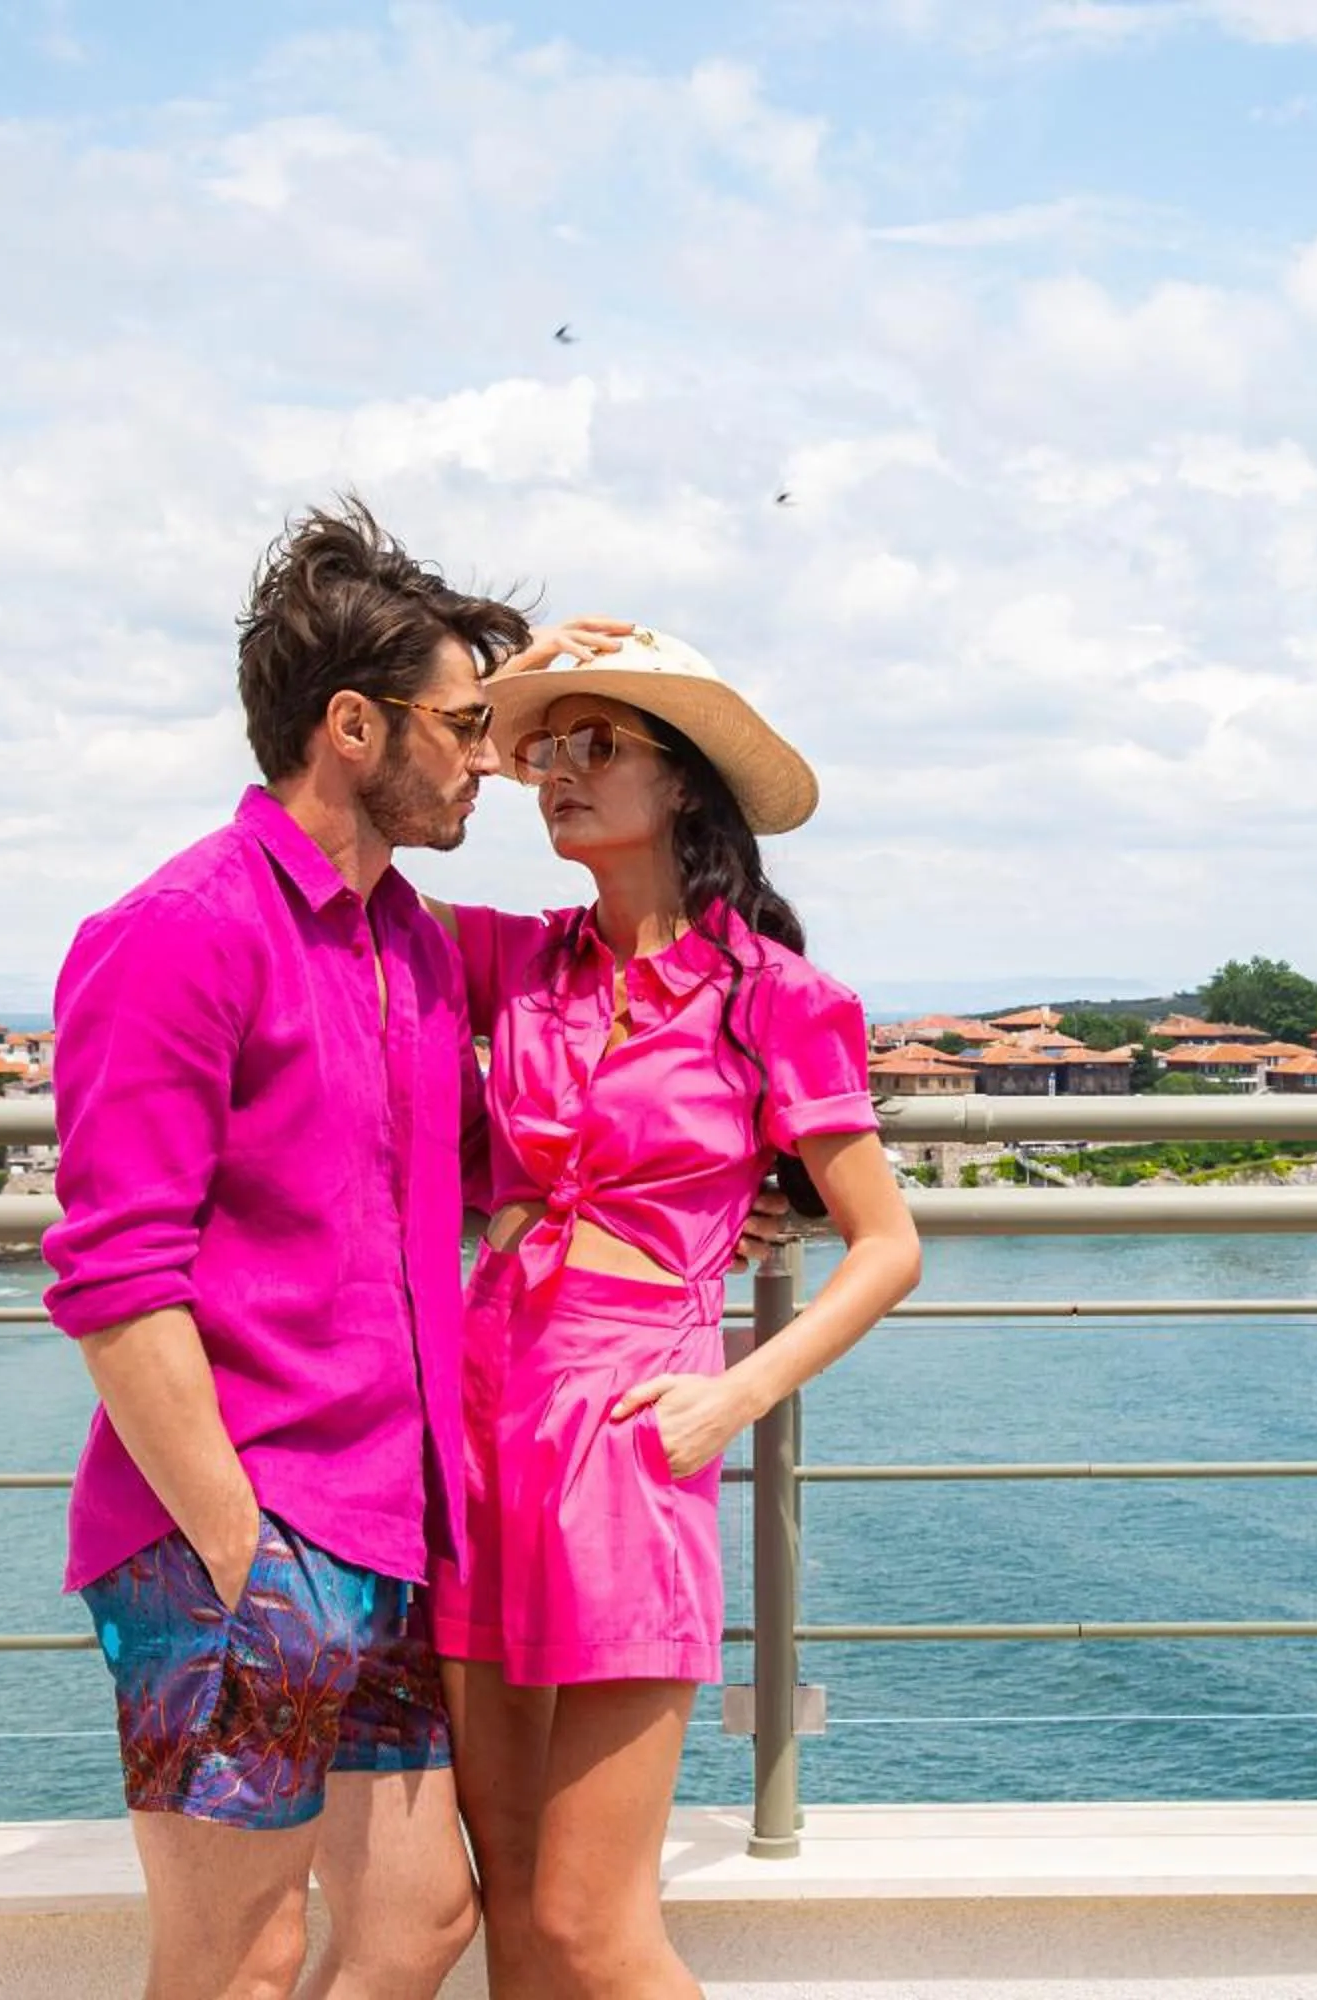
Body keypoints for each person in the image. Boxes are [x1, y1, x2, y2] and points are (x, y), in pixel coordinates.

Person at [40, 498, 548, 2000]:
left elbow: (485, 1170)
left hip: (381, 1528)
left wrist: (749, 1191)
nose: (490, 763)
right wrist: (236, 1544)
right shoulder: (181, 931)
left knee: (417, 1925)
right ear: (351, 726)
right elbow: (114, 1279)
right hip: (242, 1537)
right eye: (464, 725)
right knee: (235, 1960)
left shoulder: (406, 945)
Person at [432, 628, 922, 1999]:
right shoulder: (517, 964)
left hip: (630, 1427)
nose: (553, 776)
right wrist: (498, 700)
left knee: (594, 1923)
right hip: (480, 1418)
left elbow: (887, 1247)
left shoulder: (779, 1001)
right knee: (511, 1893)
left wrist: (737, 1392)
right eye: (544, 749)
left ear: (688, 783)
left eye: (598, 746)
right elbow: (354, 886)